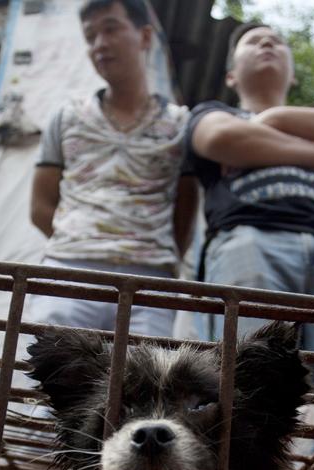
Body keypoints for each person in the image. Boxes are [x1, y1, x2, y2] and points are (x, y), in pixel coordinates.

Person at [184, 22, 314, 400]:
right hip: (247, 239)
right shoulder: (212, 112)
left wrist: (274, 120)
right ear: (231, 75)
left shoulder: (313, 122)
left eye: (277, 41)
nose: (266, 42)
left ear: (292, 74)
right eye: (253, 41)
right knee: (248, 374)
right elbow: (219, 137)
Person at [26, 0, 197, 337]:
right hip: (68, 272)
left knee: (142, 387)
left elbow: (186, 210)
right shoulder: (68, 117)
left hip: (151, 283)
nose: (99, 44)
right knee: (56, 385)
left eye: (111, 28)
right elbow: (39, 206)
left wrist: (153, 253)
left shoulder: (180, 124)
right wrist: (82, 242)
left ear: (145, 36)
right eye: (90, 36)